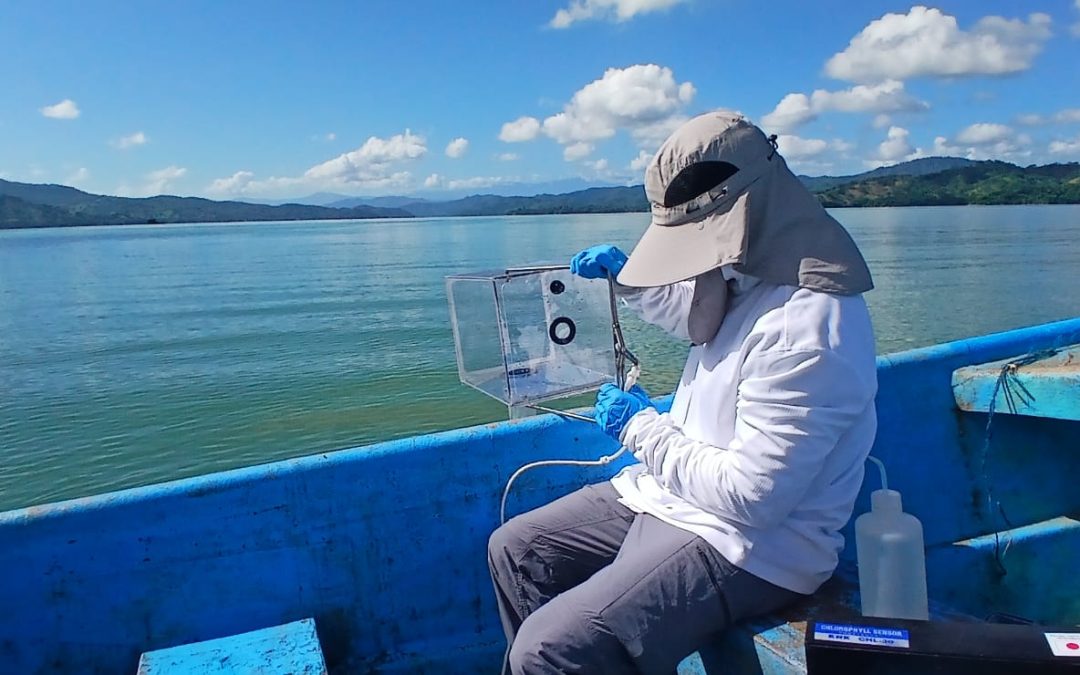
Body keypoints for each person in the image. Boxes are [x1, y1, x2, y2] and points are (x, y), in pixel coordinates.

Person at [487, 110, 878, 674]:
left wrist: (639, 426)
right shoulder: (753, 273)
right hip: (675, 494)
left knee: (549, 649)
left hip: (752, 545)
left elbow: (754, 500)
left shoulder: (809, 327)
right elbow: (703, 318)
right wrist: (625, 283)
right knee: (519, 550)